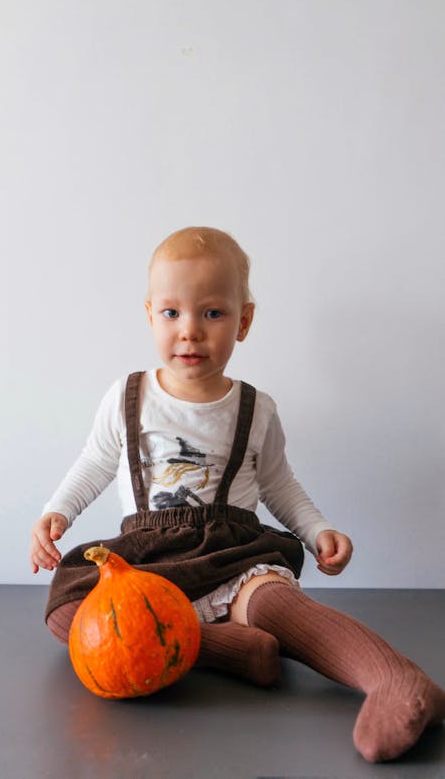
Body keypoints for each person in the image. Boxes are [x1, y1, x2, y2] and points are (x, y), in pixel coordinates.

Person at [30, 226, 445, 763]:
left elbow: (279, 483)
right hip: (148, 566)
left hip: (231, 552)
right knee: (69, 610)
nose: (190, 333)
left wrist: (317, 530)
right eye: (172, 314)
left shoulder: (255, 409)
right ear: (150, 314)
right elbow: (96, 462)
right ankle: (225, 649)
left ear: (244, 320)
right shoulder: (127, 397)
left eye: (212, 314)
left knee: (280, 602)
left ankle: (393, 677)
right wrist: (55, 512)